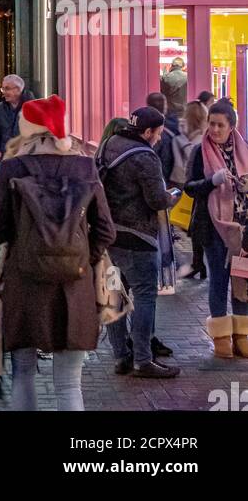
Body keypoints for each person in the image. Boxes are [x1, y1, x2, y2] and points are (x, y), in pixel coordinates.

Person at [0, 95, 116, 411]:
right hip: (75, 287)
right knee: (70, 383)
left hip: (24, 282)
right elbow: (106, 231)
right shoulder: (86, 166)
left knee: (24, 374)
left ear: (28, 129)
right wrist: (84, 256)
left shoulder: (12, 168)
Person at [96, 106, 182, 378]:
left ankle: (121, 356)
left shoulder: (110, 143)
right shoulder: (145, 157)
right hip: (138, 238)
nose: (158, 139)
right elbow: (157, 200)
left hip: (106, 236)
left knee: (113, 297)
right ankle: (143, 359)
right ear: (147, 132)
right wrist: (174, 196)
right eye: (157, 134)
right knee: (145, 296)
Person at [184, 99, 248, 358]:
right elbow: (189, 186)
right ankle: (221, 338)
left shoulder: (244, 150)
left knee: (241, 281)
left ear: (231, 127)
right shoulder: (199, 152)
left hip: (242, 230)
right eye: (211, 124)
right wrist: (212, 181)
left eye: (220, 125)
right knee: (219, 281)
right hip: (213, 228)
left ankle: (242, 335)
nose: (215, 130)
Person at [174, 101, 209, 279]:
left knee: (193, 226)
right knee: (195, 225)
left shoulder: (182, 136)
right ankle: (197, 262)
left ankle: (197, 263)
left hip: (183, 184)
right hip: (198, 185)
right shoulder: (203, 138)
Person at [0, 75, 32, 162]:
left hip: (26, 160)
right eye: (3, 89)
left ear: (18, 89)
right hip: (5, 159)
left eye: (7, 88)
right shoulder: (1, 108)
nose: (3, 92)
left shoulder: (32, 108)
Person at [145, 93, 176, 179]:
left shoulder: (145, 124)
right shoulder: (170, 124)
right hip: (161, 175)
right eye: (165, 103)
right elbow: (165, 159)